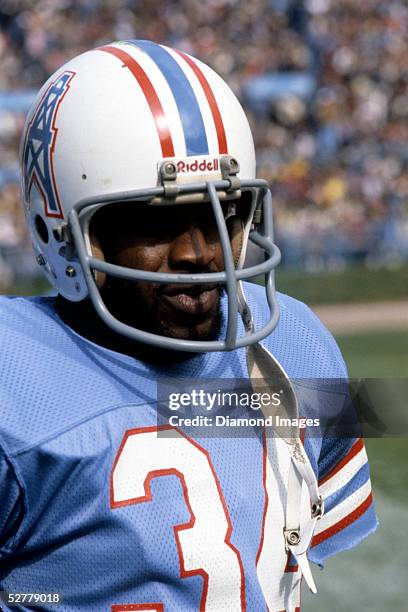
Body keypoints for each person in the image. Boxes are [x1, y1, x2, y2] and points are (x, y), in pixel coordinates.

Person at [0, 40, 377, 612]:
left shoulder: (293, 345)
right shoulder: (14, 374)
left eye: (218, 212)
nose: (200, 253)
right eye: (158, 219)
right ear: (63, 232)